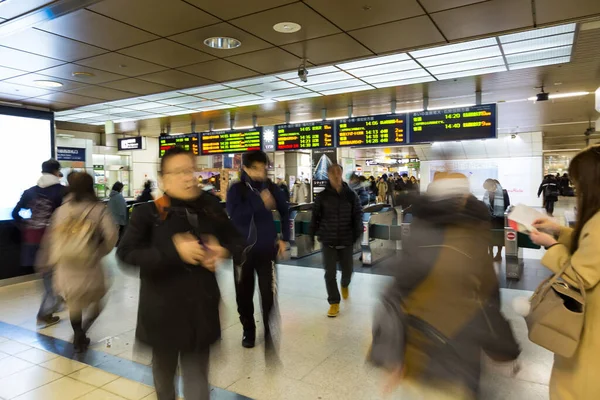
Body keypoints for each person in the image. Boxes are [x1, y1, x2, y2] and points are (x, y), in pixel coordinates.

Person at [370, 172, 520, 399]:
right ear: (462, 198)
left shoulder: (420, 233)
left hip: (422, 350)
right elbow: (488, 300)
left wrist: (391, 354)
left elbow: (394, 294)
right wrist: (504, 348)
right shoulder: (470, 237)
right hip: (461, 353)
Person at [117, 147, 245, 400]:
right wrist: (174, 251)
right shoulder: (148, 213)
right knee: (164, 378)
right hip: (162, 315)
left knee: (197, 381)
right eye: (179, 172)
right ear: (164, 178)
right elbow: (126, 254)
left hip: (201, 312)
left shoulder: (210, 207)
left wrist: (223, 250)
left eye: (191, 170)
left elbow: (238, 241)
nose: (188, 177)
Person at [529, 146, 600, 400]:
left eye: (577, 180)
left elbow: (580, 276)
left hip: (592, 328)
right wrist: (558, 230)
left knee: (576, 386)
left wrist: (552, 246)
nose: (574, 186)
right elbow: (590, 246)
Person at [39, 173, 118, 351]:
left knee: (74, 304)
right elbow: (112, 235)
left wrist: (47, 258)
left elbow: (50, 238)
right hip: (89, 265)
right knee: (97, 303)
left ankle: (78, 335)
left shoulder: (61, 210)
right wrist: (98, 252)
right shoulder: (98, 209)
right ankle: (81, 333)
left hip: (65, 266)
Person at [226, 151, 290, 349]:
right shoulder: (236, 190)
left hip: (266, 250)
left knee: (268, 293)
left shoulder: (271, 187)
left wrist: (284, 238)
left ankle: (269, 329)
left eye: (264, 167)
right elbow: (235, 215)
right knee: (243, 295)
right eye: (256, 167)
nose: (262, 171)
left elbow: (286, 211)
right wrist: (259, 202)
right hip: (242, 252)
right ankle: (248, 330)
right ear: (245, 168)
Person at [12, 159, 66, 328]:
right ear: (57, 172)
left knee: (49, 275)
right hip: (52, 240)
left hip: (32, 239)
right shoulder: (62, 191)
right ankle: (44, 314)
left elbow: (15, 213)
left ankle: (55, 302)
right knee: (52, 277)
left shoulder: (30, 192)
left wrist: (26, 226)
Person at [309, 164, 362, 317]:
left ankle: (345, 283)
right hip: (328, 240)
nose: (336, 175)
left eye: (338, 172)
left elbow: (357, 215)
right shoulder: (322, 196)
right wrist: (311, 235)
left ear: (342, 174)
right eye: (333, 173)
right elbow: (315, 217)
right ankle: (334, 302)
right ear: (328, 175)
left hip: (346, 240)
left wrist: (357, 234)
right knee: (329, 273)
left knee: (348, 271)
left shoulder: (351, 195)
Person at [483, 179, 507, 261]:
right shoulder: (487, 193)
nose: (488, 190)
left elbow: (507, 205)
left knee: (499, 237)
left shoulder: (503, 192)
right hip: (489, 219)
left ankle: (499, 254)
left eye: (489, 188)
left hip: (500, 219)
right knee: (490, 237)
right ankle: (490, 253)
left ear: (494, 186)